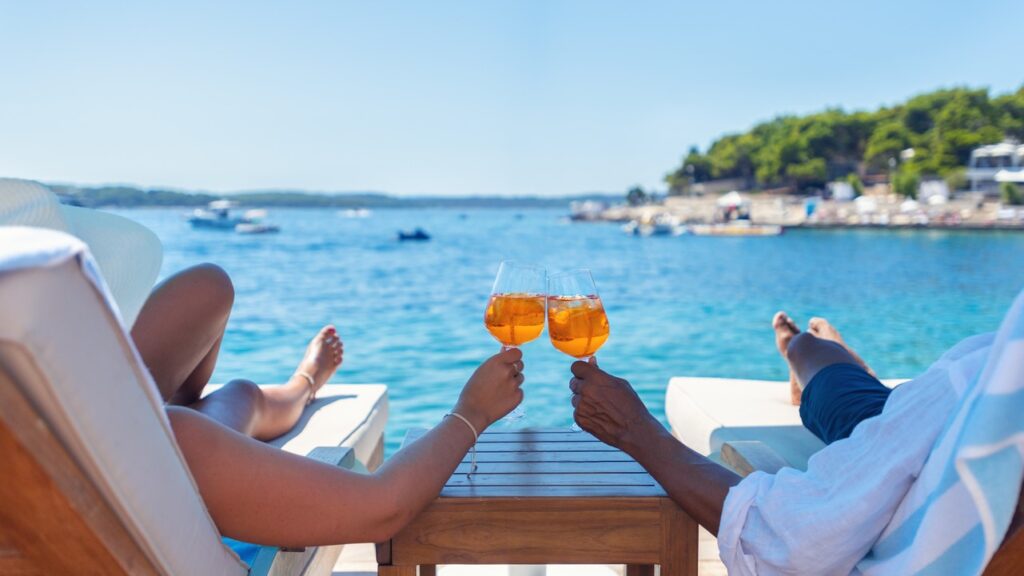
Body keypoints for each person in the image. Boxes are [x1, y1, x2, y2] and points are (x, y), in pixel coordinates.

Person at [568, 311, 1022, 574]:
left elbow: (793, 541)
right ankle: (826, 362)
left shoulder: (992, 378)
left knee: (835, 384)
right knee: (854, 398)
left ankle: (803, 350)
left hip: (926, 425)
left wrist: (635, 430)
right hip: (927, 423)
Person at [135, 263, 525, 546]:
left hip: (124, 412)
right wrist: (471, 412)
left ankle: (301, 385)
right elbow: (381, 508)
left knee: (210, 289)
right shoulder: (177, 447)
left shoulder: (163, 430)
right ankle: (299, 384)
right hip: (155, 455)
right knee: (204, 416)